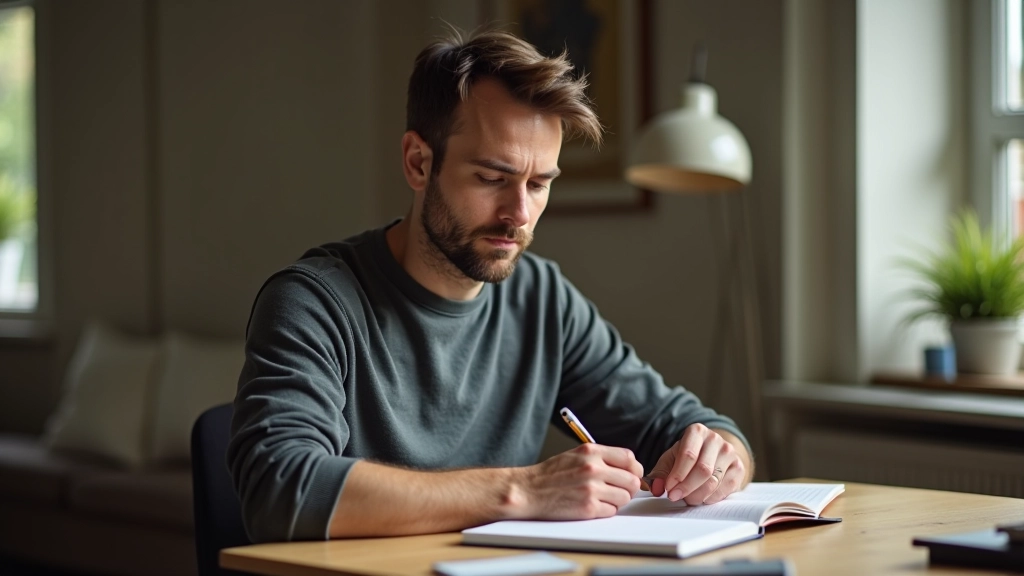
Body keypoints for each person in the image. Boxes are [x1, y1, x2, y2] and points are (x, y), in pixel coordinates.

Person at [227, 29, 753, 544]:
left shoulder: (543, 300)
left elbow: (692, 424)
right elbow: (281, 489)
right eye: (491, 178)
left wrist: (721, 454)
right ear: (418, 162)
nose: (519, 214)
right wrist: (522, 490)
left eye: (540, 183)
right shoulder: (313, 302)